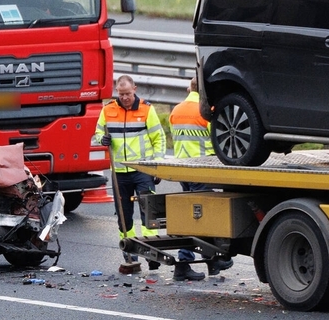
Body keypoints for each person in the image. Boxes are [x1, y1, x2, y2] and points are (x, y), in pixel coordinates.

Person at [92, 75, 165, 275]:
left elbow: (159, 138)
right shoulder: (108, 111)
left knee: (148, 212)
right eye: (121, 94)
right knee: (124, 215)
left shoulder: (146, 109)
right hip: (120, 172)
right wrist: (102, 139)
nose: (124, 97)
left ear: (135, 89)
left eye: (128, 93)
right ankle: (131, 252)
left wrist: (156, 165)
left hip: (142, 170)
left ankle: (151, 251)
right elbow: (97, 133)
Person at [169, 77, 233, 281]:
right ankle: (187, 262)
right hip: (201, 168)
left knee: (194, 216)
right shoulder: (205, 111)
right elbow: (217, 141)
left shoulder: (176, 110)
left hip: (183, 169)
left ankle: (212, 261)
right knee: (199, 219)